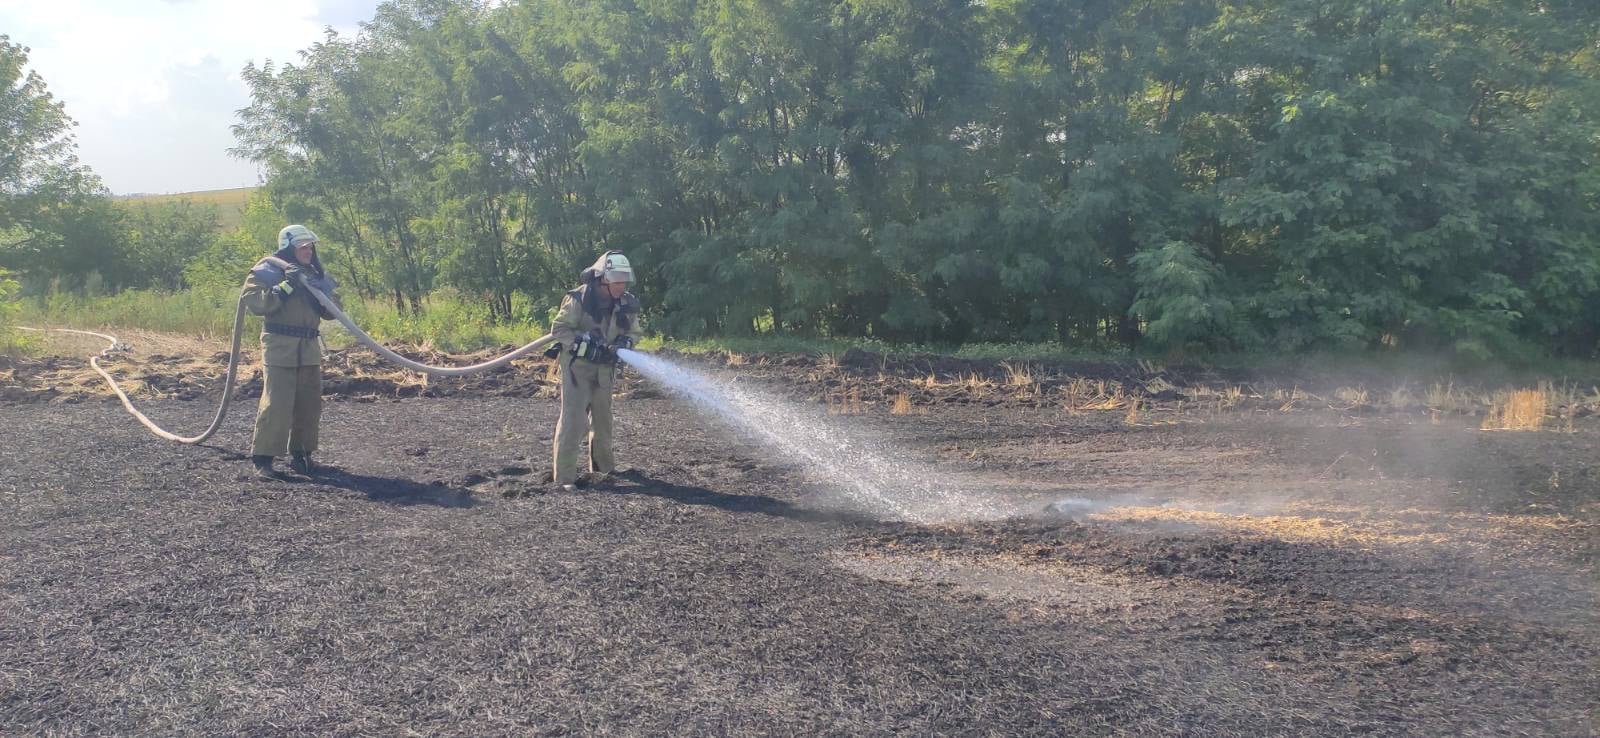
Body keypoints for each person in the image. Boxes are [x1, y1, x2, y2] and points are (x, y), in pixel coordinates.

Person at [241, 225, 341, 480]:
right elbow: (256, 303)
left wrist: (322, 293)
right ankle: (263, 459)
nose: (308, 252)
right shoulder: (266, 271)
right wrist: (286, 286)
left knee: (309, 404)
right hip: (280, 345)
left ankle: (302, 454)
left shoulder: (314, 274)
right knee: (278, 403)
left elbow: (332, 311)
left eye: (310, 247)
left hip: (308, 348)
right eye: (302, 247)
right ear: (288, 247)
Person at [550, 250, 641, 490]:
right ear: (602, 279)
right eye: (616, 282)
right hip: (577, 370)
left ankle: (603, 470)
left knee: (603, 421)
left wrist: (627, 342)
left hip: (604, 370)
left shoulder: (626, 302)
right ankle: (565, 479)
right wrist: (582, 345)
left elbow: (634, 331)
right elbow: (558, 329)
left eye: (624, 282)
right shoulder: (579, 299)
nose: (621, 287)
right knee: (574, 421)